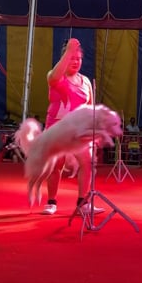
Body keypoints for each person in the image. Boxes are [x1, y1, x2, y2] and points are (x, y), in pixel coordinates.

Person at [40, 38, 104, 216]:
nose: (75, 61)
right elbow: (53, 77)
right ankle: (51, 202)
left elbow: (89, 108)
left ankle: (82, 203)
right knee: (56, 166)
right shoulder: (55, 77)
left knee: (88, 162)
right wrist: (69, 50)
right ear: (64, 58)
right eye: (71, 58)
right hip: (57, 129)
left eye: (78, 58)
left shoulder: (85, 81)